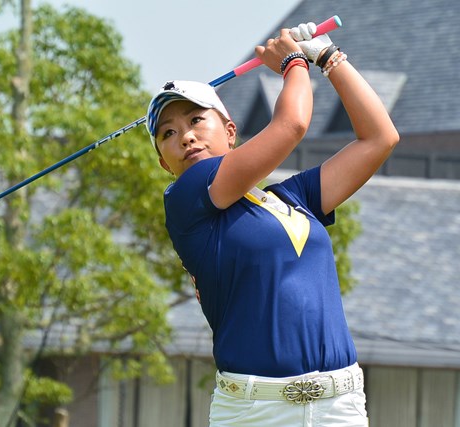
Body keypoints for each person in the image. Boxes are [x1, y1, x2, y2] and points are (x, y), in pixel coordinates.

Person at [145, 22, 399, 426]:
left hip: (340, 404)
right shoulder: (186, 196)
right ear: (163, 161)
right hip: (254, 411)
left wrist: (328, 58)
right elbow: (292, 125)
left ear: (230, 132)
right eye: (168, 133)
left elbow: (379, 138)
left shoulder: (292, 198)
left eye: (196, 120)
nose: (186, 138)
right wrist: (293, 62)